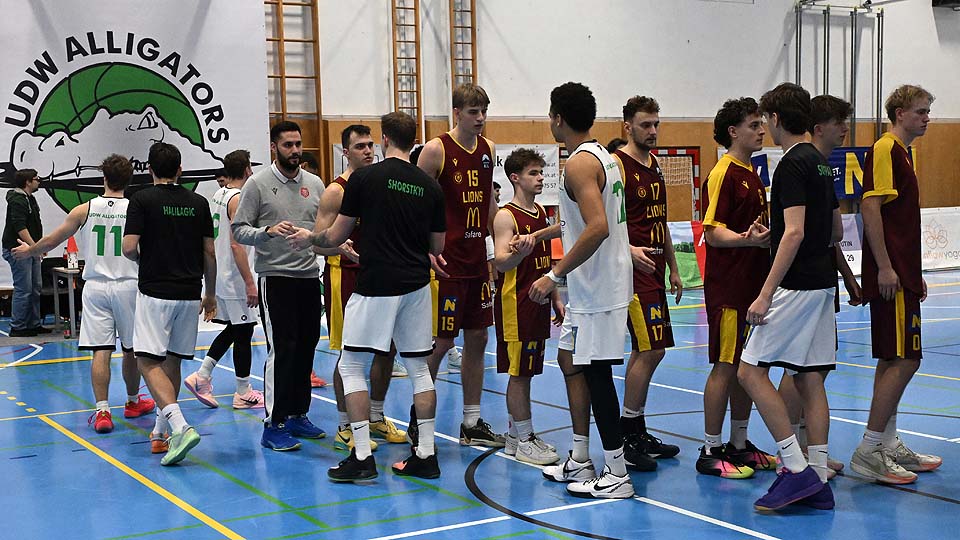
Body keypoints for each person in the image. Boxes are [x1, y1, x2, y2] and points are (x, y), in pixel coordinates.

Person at [287, 111, 446, 482]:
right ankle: (425, 454)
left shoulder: (364, 179)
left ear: (385, 139)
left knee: (351, 366)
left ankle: (361, 456)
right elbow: (437, 246)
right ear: (413, 140)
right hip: (417, 285)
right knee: (419, 369)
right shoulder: (430, 186)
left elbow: (335, 236)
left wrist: (309, 238)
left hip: (376, 284)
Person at [737, 82, 840, 511]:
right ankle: (818, 477)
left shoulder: (791, 164)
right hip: (823, 284)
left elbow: (795, 232)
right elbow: (834, 230)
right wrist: (776, 233)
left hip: (796, 286)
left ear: (776, 118)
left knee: (749, 372)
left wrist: (765, 293)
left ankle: (796, 470)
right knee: (810, 379)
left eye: (766, 119)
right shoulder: (820, 162)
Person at [535, 82, 634, 499]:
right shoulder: (606, 156)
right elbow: (582, 222)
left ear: (558, 117)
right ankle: (580, 458)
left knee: (597, 375)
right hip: (591, 285)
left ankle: (617, 473)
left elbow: (597, 227)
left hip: (599, 287)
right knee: (569, 360)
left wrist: (554, 274)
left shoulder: (579, 164)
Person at [13, 155, 155, 432]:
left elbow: (52, 240)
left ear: (103, 178)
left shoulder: (84, 209)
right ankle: (132, 401)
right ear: (129, 180)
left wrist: (30, 251)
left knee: (101, 350)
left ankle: (102, 411)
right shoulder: (137, 209)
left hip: (96, 287)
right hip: (128, 285)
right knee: (131, 350)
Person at [851, 84, 942, 483]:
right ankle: (870, 448)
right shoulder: (886, 149)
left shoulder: (902, 152)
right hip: (892, 276)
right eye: (920, 111)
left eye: (928, 112)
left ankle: (886, 442)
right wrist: (886, 268)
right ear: (900, 113)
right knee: (907, 358)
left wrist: (912, 270)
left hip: (904, 272)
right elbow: (870, 206)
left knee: (892, 358)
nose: (927, 118)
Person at [777, 95, 861, 480]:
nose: (845, 128)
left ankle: (803, 452)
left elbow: (833, 232)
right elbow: (823, 231)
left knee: (811, 370)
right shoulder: (809, 164)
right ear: (817, 126)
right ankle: (794, 452)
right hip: (804, 283)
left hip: (817, 281)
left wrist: (847, 276)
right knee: (799, 370)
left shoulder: (822, 167)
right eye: (838, 121)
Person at [415, 83, 504, 447]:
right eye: (473, 112)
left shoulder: (489, 149)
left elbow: (488, 204)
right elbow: (416, 204)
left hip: (477, 262)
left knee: (479, 338)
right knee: (441, 343)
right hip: (445, 263)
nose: (480, 118)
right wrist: (424, 251)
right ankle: (419, 418)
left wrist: (500, 243)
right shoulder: (436, 149)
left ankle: (471, 420)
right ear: (457, 113)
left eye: (484, 111)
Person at [232, 121, 327, 451]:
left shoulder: (315, 184)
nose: (295, 150)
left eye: (298, 144)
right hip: (276, 279)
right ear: (274, 147)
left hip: (309, 278)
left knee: (307, 346)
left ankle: (298, 413)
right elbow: (239, 230)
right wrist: (266, 232)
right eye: (288, 145)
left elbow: (323, 229)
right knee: (282, 349)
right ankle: (274, 423)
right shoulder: (257, 184)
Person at [122, 142, 217, 466]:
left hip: (155, 292)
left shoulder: (142, 199)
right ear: (180, 170)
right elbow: (209, 253)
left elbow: (128, 247)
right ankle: (161, 434)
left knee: (147, 362)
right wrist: (210, 293)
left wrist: (144, 259)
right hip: (190, 293)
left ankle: (180, 427)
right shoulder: (199, 202)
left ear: (149, 169)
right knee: (172, 362)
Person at [697, 98, 775, 480]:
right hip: (729, 290)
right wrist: (747, 239)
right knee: (725, 367)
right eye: (753, 125)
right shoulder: (723, 173)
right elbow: (712, 233)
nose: (761, 130)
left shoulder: (753, 173)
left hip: (752, 288)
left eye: (761, 124)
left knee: (747, 367)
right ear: (733, 131)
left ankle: (739, 443)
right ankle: (710, 450)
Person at [316, 124, 406, 451]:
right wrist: (338, 247)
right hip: (346, 277)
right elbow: (318, 241)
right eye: (360, 146)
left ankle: (376, 416)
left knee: (387, 349)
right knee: (349, 353)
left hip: (382, 275)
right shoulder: (336, 191)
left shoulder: (382, 184)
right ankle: (345, 425)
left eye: (370, 145)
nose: (368, 151)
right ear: (345, 152)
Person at [612, 96, 683, 471]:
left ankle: (636, 428)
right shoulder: (617, 166)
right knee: (651, 349)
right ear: (628, 127)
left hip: (655, 270)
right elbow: (604, 223)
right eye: (645, 125)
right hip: (632, 273)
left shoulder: (655, 165)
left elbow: (661, 221)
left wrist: (673, 267)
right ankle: (627, 432)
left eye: (656, 124)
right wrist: (627, 250)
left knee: (650, 350)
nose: (653, 131)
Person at [492, 148, 563, 466]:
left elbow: (545, 263)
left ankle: (514, 438)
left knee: (528, 372)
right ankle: (525, 439)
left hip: (539, 302)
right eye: (533, 173)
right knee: (519, 375)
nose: (540, 178)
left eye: (541, 172)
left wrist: (556, 297)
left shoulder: (541, 213)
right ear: (515, 178)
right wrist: (520, 251)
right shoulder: (505, 216)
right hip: (515, 305)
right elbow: (501, 262)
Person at [184, 150, 265, 410]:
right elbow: (236, 244)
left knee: (237, 328)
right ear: (247, 169)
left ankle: (202, 375)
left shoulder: (220, 194)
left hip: (222, 273)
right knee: (243, 331)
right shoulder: (238, 198)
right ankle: (242, 392)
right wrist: (249, 282)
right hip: (234, 276)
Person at [2, 168, 47, 337]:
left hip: (30, 249)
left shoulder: (30, 199)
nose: (39, 181)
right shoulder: (18, 200)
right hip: (18, 250)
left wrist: (38, 247)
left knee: (35, 287)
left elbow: (34, 225)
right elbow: (20, 227)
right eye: (36, 179)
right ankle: (18, 326)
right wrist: (36, 247)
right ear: (28, 182)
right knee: (24, 288)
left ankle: (33, 323)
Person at [300, 150, 326, 387]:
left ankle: (306, 369)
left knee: (311, 326)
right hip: (290, 270)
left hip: (311, 266)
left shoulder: (316, 189)